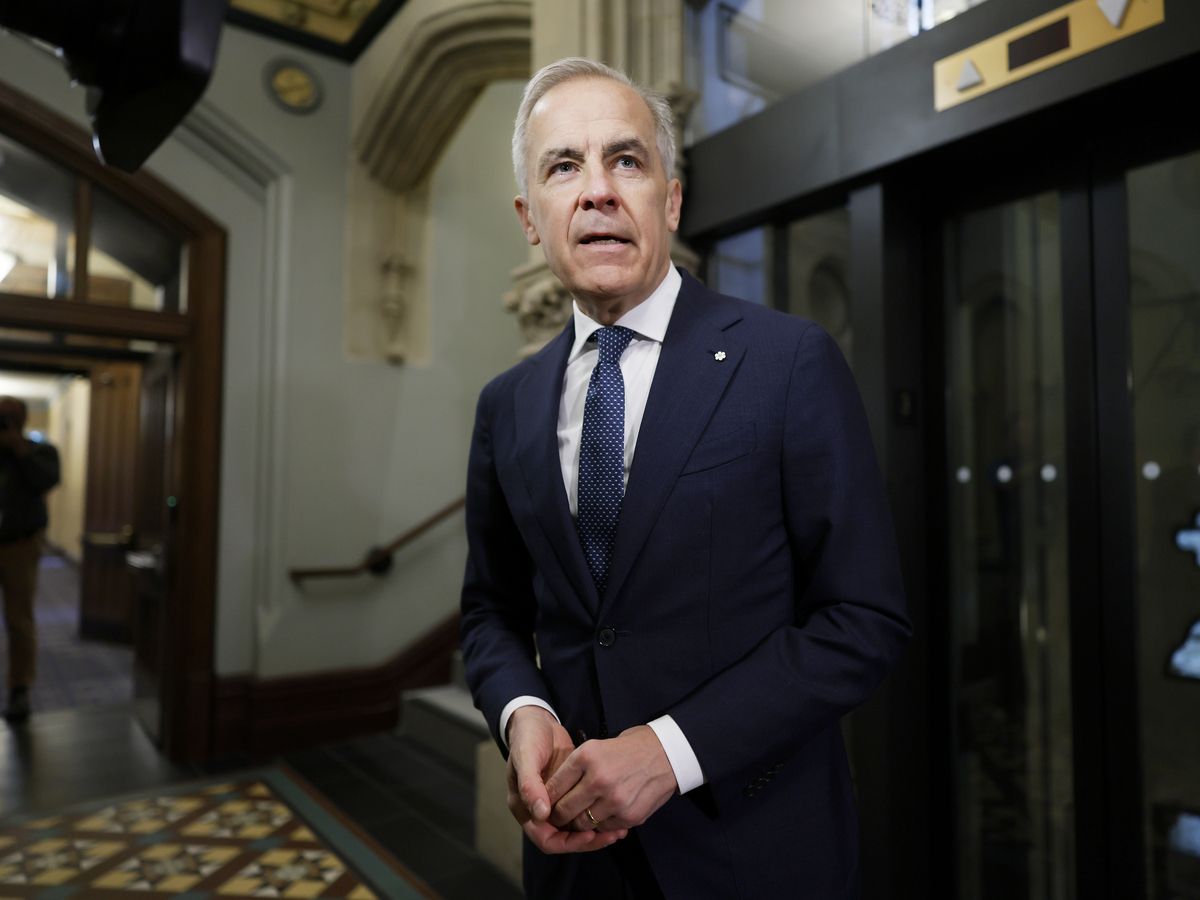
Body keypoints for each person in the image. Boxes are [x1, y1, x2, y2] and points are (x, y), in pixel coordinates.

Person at [460, 58, 910, 900]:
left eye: (626, 160)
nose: (598, 191)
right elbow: (491, 612)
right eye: (564, 166)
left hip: (756, 855)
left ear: (670, 201)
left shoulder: (787, 362)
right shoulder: (507, 405)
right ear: (530, 218)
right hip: (575, 865)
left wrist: (670, 751)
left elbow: (863, 620)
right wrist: (523, 713)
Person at [0, 395, 60, 723]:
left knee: (19, 619)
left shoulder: (40, 451)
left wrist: (19, 449)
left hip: (20, 546)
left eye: (10, 416)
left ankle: (19, 687)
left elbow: (46, 480)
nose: (5, 422)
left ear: (23, 420)